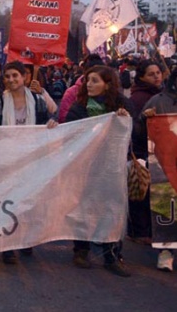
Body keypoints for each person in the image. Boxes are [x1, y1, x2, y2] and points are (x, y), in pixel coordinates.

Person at [0, 61, 58, 264]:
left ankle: (26, 239)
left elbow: (47, 121)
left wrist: (51, 123)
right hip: (7, 160)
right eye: (7, 76)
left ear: (24, 77)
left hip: (32, 160)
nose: (11, 80)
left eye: (15, 76)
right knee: (8, 202)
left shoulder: (37, 100)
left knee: (28, 201)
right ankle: (8, 247)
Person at [65, 65, 133, 277]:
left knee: (112, 210)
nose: (89, 84)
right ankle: (81, 250)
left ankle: (111, 255)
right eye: (88, 80)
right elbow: (70, 132)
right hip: (86, 167)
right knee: (84, 208)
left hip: (112, 168)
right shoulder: (79, 107)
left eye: (95, 80)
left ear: (108, 84)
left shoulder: (122, 105)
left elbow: (135, 130)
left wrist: (124, 119)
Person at [139, 65, 177, 271]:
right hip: (166, 165)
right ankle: (165, 251)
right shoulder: (157, 102)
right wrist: (144, 118)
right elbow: (138, 131)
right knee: (167, 208)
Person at [126, 60, 164, 245]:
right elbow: (134, 128)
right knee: (142, 192)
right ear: (141, 77)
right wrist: (143, 118)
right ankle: (140, 232)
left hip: (159, 151)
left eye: (158, 72)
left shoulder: (162, 95)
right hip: (143, 151)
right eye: (151, 74)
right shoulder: (139, 99)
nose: (157, 76)